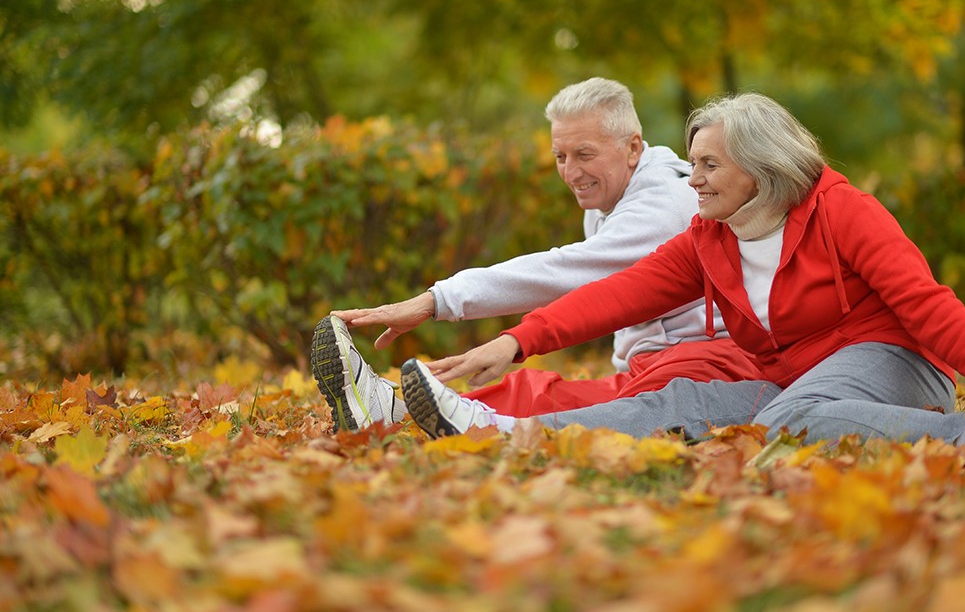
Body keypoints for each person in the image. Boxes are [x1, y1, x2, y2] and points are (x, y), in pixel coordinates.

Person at [396, 92, 965, 451]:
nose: (695, 180)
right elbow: (617, 296)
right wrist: (517, 341)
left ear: (760, 168)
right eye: (692, 162)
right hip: (795, 382)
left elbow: (927, 306)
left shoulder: (843, 212)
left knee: (792, 424)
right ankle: (507, 430)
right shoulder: (709, 238)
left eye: (709, 165)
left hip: (894, 364)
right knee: (689, 403)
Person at [310, 77, 757, 432]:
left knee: (596, 404)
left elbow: (567, 271)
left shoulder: (667, 200)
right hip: (660, 364)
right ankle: (398, 411)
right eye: (560, 156)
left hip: (710, 363)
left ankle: (429, 418)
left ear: (633, 147)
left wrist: (438, 301)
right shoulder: (610, 198)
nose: (571, 172)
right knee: (534, 388)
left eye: (584, 154)